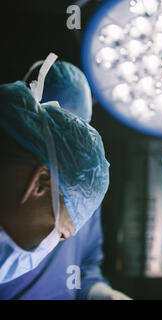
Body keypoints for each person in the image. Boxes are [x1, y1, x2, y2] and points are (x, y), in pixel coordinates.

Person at [0, 60, 130, 299]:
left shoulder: (81, 189)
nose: (70, 144)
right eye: (57, 128)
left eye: (77, 131)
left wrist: (101, 294)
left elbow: (86, 265)